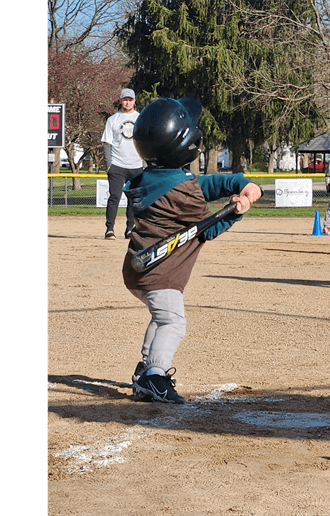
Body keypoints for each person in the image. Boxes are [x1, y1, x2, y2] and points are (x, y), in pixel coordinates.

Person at [121, 97, 263, 404]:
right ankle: (155, 376)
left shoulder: (154, 180)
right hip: (161, 273)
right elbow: (207, 228)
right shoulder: (183, 194)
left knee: (161, 317)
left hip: (138, 270)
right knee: (173, 321)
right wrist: (236, 212)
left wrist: (240, 182)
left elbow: (202, 184)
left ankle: (145, 370)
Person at [101, 88, 145, 240]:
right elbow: (106, 143)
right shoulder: (113, 120)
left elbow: (146, 141)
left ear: (134, 101)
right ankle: (110, 229)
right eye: (125, 99)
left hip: (136, 166)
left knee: (133, 199)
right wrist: (108, 165)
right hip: (117, 166)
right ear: (120, 101)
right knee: (115, 197)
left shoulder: (141, 118)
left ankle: (129, 229)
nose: (128, 102)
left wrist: (145, 163)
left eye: (130, 99)